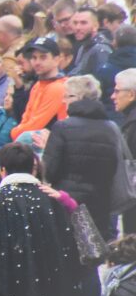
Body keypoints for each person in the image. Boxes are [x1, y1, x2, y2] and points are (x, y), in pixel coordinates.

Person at [44, 74, 122, 239]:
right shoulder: (111, 128)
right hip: (100, 201)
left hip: (67, 200)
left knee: (69, 253)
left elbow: (49, 170)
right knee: (93, 251)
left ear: (79, 98)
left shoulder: (62, 127)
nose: (63, 101)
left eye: (67, 96)